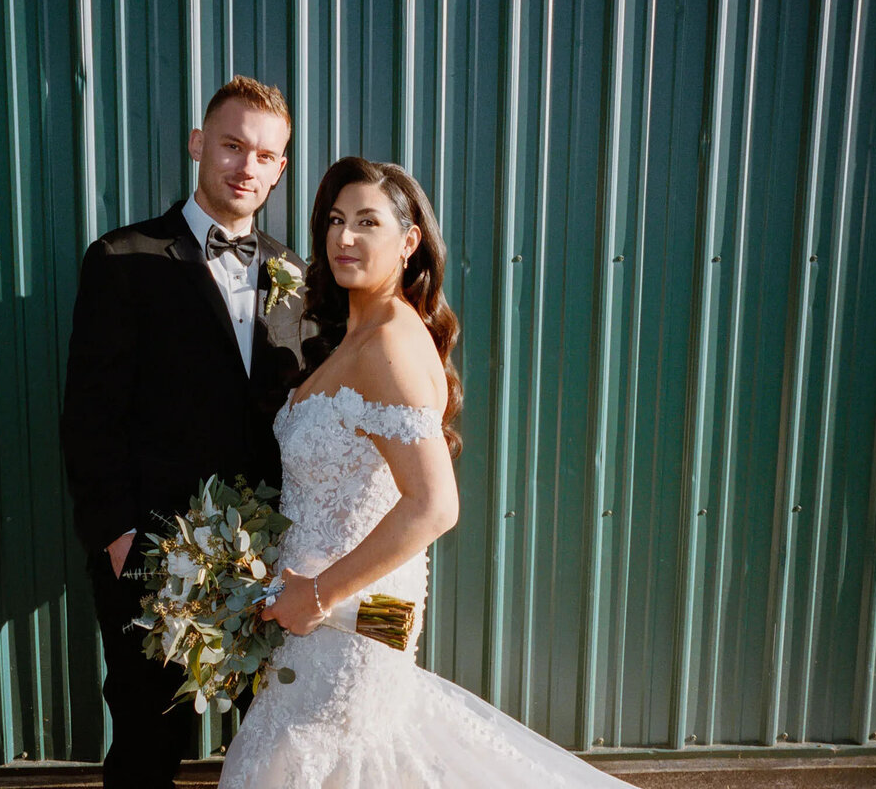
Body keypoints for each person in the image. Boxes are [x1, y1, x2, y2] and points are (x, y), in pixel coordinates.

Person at [218, 157, 633, 787]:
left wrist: (318, 594)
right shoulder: (351, 340)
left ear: (409, 241)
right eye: (334, 220)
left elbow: (435, 505)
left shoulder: (391, 342)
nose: (344, 237)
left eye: (367, 221)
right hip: (311, 625)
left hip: (344, 625)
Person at [60, 76, 308, 788]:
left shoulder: (293, 272)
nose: (247, 167)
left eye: (265, 155)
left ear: (280, 167)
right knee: (147, 746)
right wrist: (118, 541)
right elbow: (90, 413)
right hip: (153, 556)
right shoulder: (121, 259)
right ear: (199, 143)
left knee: (274, 746)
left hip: (271, 566)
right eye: (232, 145)